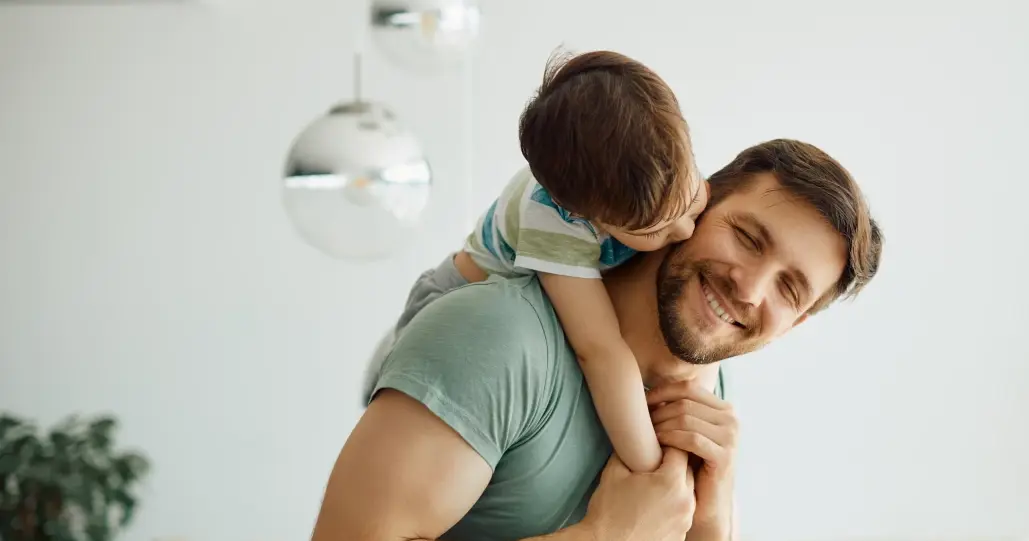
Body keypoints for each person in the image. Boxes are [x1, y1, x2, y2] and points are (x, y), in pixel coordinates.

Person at [315, 139, 883, 541]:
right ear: (699, 202)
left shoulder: (709, 390)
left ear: (798, 321)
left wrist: (711, 516)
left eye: (789, 289)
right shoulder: (500, 338)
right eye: (748, 238)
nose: (750, 289)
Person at [362, 49, 706, 474]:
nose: (686, 232)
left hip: (521, 315)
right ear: (585, 216)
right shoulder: (555, 220)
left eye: (692, 200)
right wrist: (653, 470)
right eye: (655, 230)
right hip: (452, 308)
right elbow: (600, 351)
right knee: (407, 443)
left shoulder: (661, 164)